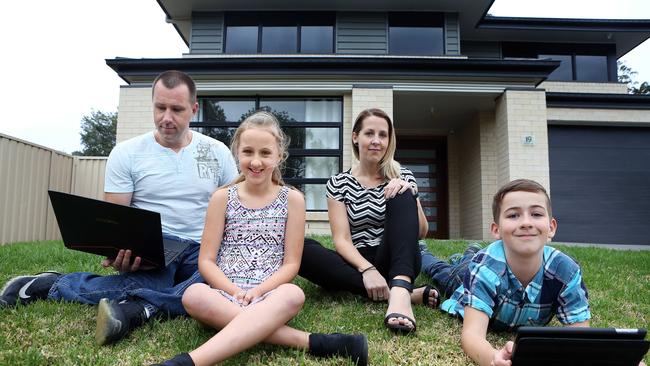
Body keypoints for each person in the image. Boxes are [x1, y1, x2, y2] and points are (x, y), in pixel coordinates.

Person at [0, 70, 238, 346]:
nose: (167, 118)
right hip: (158, 244)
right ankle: (51, 285)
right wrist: (118, 251)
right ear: (153, 104)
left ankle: (138, 309)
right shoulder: (127, 153)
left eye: (177, 109)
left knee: (215, 280)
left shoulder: (217, 152)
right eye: (160, 107)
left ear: (194, 109)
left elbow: (233, 210)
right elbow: (115, 221)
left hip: (203, 246)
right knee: (165, 284)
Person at [155, 111, 367, 366]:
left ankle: (187, 362)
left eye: (265, 153)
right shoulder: (222, 198)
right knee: (193, 294)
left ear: (279, 156)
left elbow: (291, 264)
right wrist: (234, 291)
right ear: (237, 153)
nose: (256, 161)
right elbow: (207, 261)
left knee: (294, 294)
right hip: (223, 294)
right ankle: (318, 342)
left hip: (270, 296)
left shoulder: (293, 200)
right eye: (248, 152)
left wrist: (258, 291)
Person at [420, 179, 595, 366]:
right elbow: (471, 335)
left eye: (536, 214)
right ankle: (423, 252)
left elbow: (580, 339)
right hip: (468, 276)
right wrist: (492, 358)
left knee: (464, 264)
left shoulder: (566, 273)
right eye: (513, 216)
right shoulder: (485, 269)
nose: (526, 223)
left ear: (551, 227)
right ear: (497, 230)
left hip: (489, 263)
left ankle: (468, 254)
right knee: (443, 273)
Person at [299, 108, 437, 334]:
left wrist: (411, 194)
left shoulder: (402, 175)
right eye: (369, 133)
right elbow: (341, 240)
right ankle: (404, 294)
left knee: (400, 192)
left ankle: (400, 290)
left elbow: (421, 232)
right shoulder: (339, 183)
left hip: (396, 258)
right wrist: (367, 270)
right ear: (355, 137)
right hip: (358, 262)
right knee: (302, 249)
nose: (376, 141)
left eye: (383, 135)